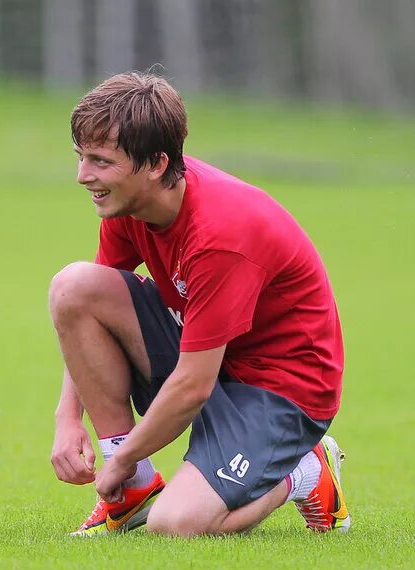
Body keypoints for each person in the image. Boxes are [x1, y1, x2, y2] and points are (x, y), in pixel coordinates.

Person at [49, 72, 350, 537]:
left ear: (155, 164)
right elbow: (88, 311)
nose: (84, 175)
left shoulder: (218, 237)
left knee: (176, 524)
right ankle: (132, 494)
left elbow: (192, 386)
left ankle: (306, 471)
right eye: (81, 157)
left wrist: (123, 456)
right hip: (211, 359)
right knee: (74, 286)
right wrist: (68, 418)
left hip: (283, 391)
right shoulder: (130, 204)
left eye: (101, 161)